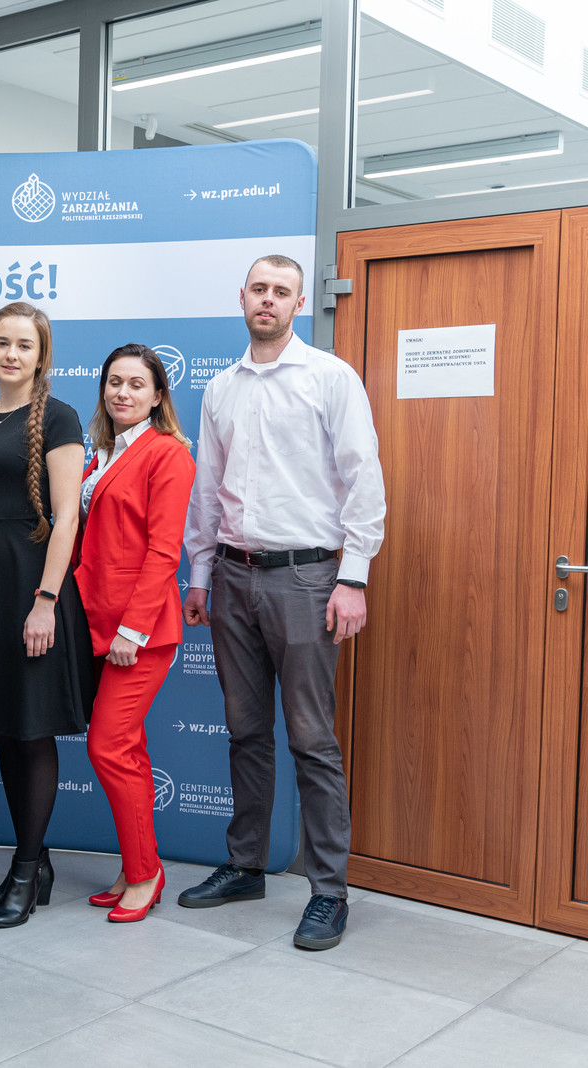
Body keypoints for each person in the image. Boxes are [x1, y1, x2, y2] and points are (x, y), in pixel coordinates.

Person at [178, 254, 385, 951]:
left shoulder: (330, 377)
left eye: (282, 292)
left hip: (307, 578)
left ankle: (328, 892)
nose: (268, 300)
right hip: (232, 577)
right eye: (259, 289)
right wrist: (199, 573)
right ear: (242, 297)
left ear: (299, 304)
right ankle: (245, 865)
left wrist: (353, 577)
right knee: (245, 732)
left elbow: (362, 477)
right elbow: (208, 486)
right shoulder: (220, 388)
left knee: (311, 739)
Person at [0, 301, 95, 929]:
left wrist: (45, 602)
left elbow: (67, 519)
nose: (11, 354)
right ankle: (34, 864)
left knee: (32, 731)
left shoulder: (59, 417)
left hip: (33, 589)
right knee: (5, 730)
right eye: (2, 343)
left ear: (41, 356)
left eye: (24, 345)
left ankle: (26, 870)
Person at [75, 344, 195, 923]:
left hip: (136, 632)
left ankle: (145, 874)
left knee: (107, 747)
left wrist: (132, 630)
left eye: (136, 384)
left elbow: (164, 552)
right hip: (94, 622)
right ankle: (137, 865)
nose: (123, 392)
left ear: (157, 395)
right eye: (114, 382)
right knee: (129, 751)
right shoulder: (102, 453)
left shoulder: (167, 453)